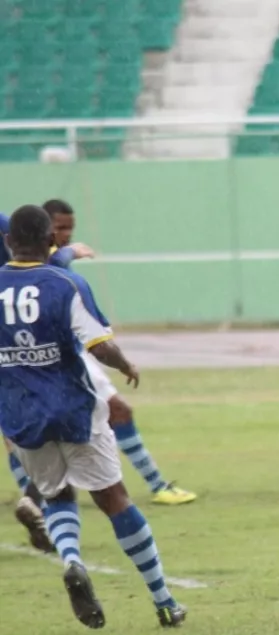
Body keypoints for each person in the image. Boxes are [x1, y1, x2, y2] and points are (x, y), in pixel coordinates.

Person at [0, 205, 187, 628]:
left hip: (20, 417)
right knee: (113, 498)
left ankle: (71, 560)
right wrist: (125, 365)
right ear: (51, 241)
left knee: (57, 495)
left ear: (9, 242)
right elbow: (98, 345)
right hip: (72, 409)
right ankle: (164, 601)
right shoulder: (66, 284)